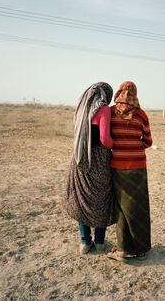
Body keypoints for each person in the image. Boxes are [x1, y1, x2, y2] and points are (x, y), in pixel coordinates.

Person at [63, 82, 116, 254]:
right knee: (101, 199)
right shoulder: (104, 109)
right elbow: (105, 139)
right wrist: (117, 144)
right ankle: (99, 242)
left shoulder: (81, 108)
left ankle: (85, 242)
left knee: (82, 200)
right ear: (105, 95)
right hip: (99, 159)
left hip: (80, 158)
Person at [106, 81, 153, 262]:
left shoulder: (110, 113)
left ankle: (123, 250)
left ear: (119, 92)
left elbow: (105, 137)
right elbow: (148, 141)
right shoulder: (141, 114)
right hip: (138, 167)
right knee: (139, 207)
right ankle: (141, 251)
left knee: (122, 208)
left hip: (117, 166)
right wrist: (134, 146)